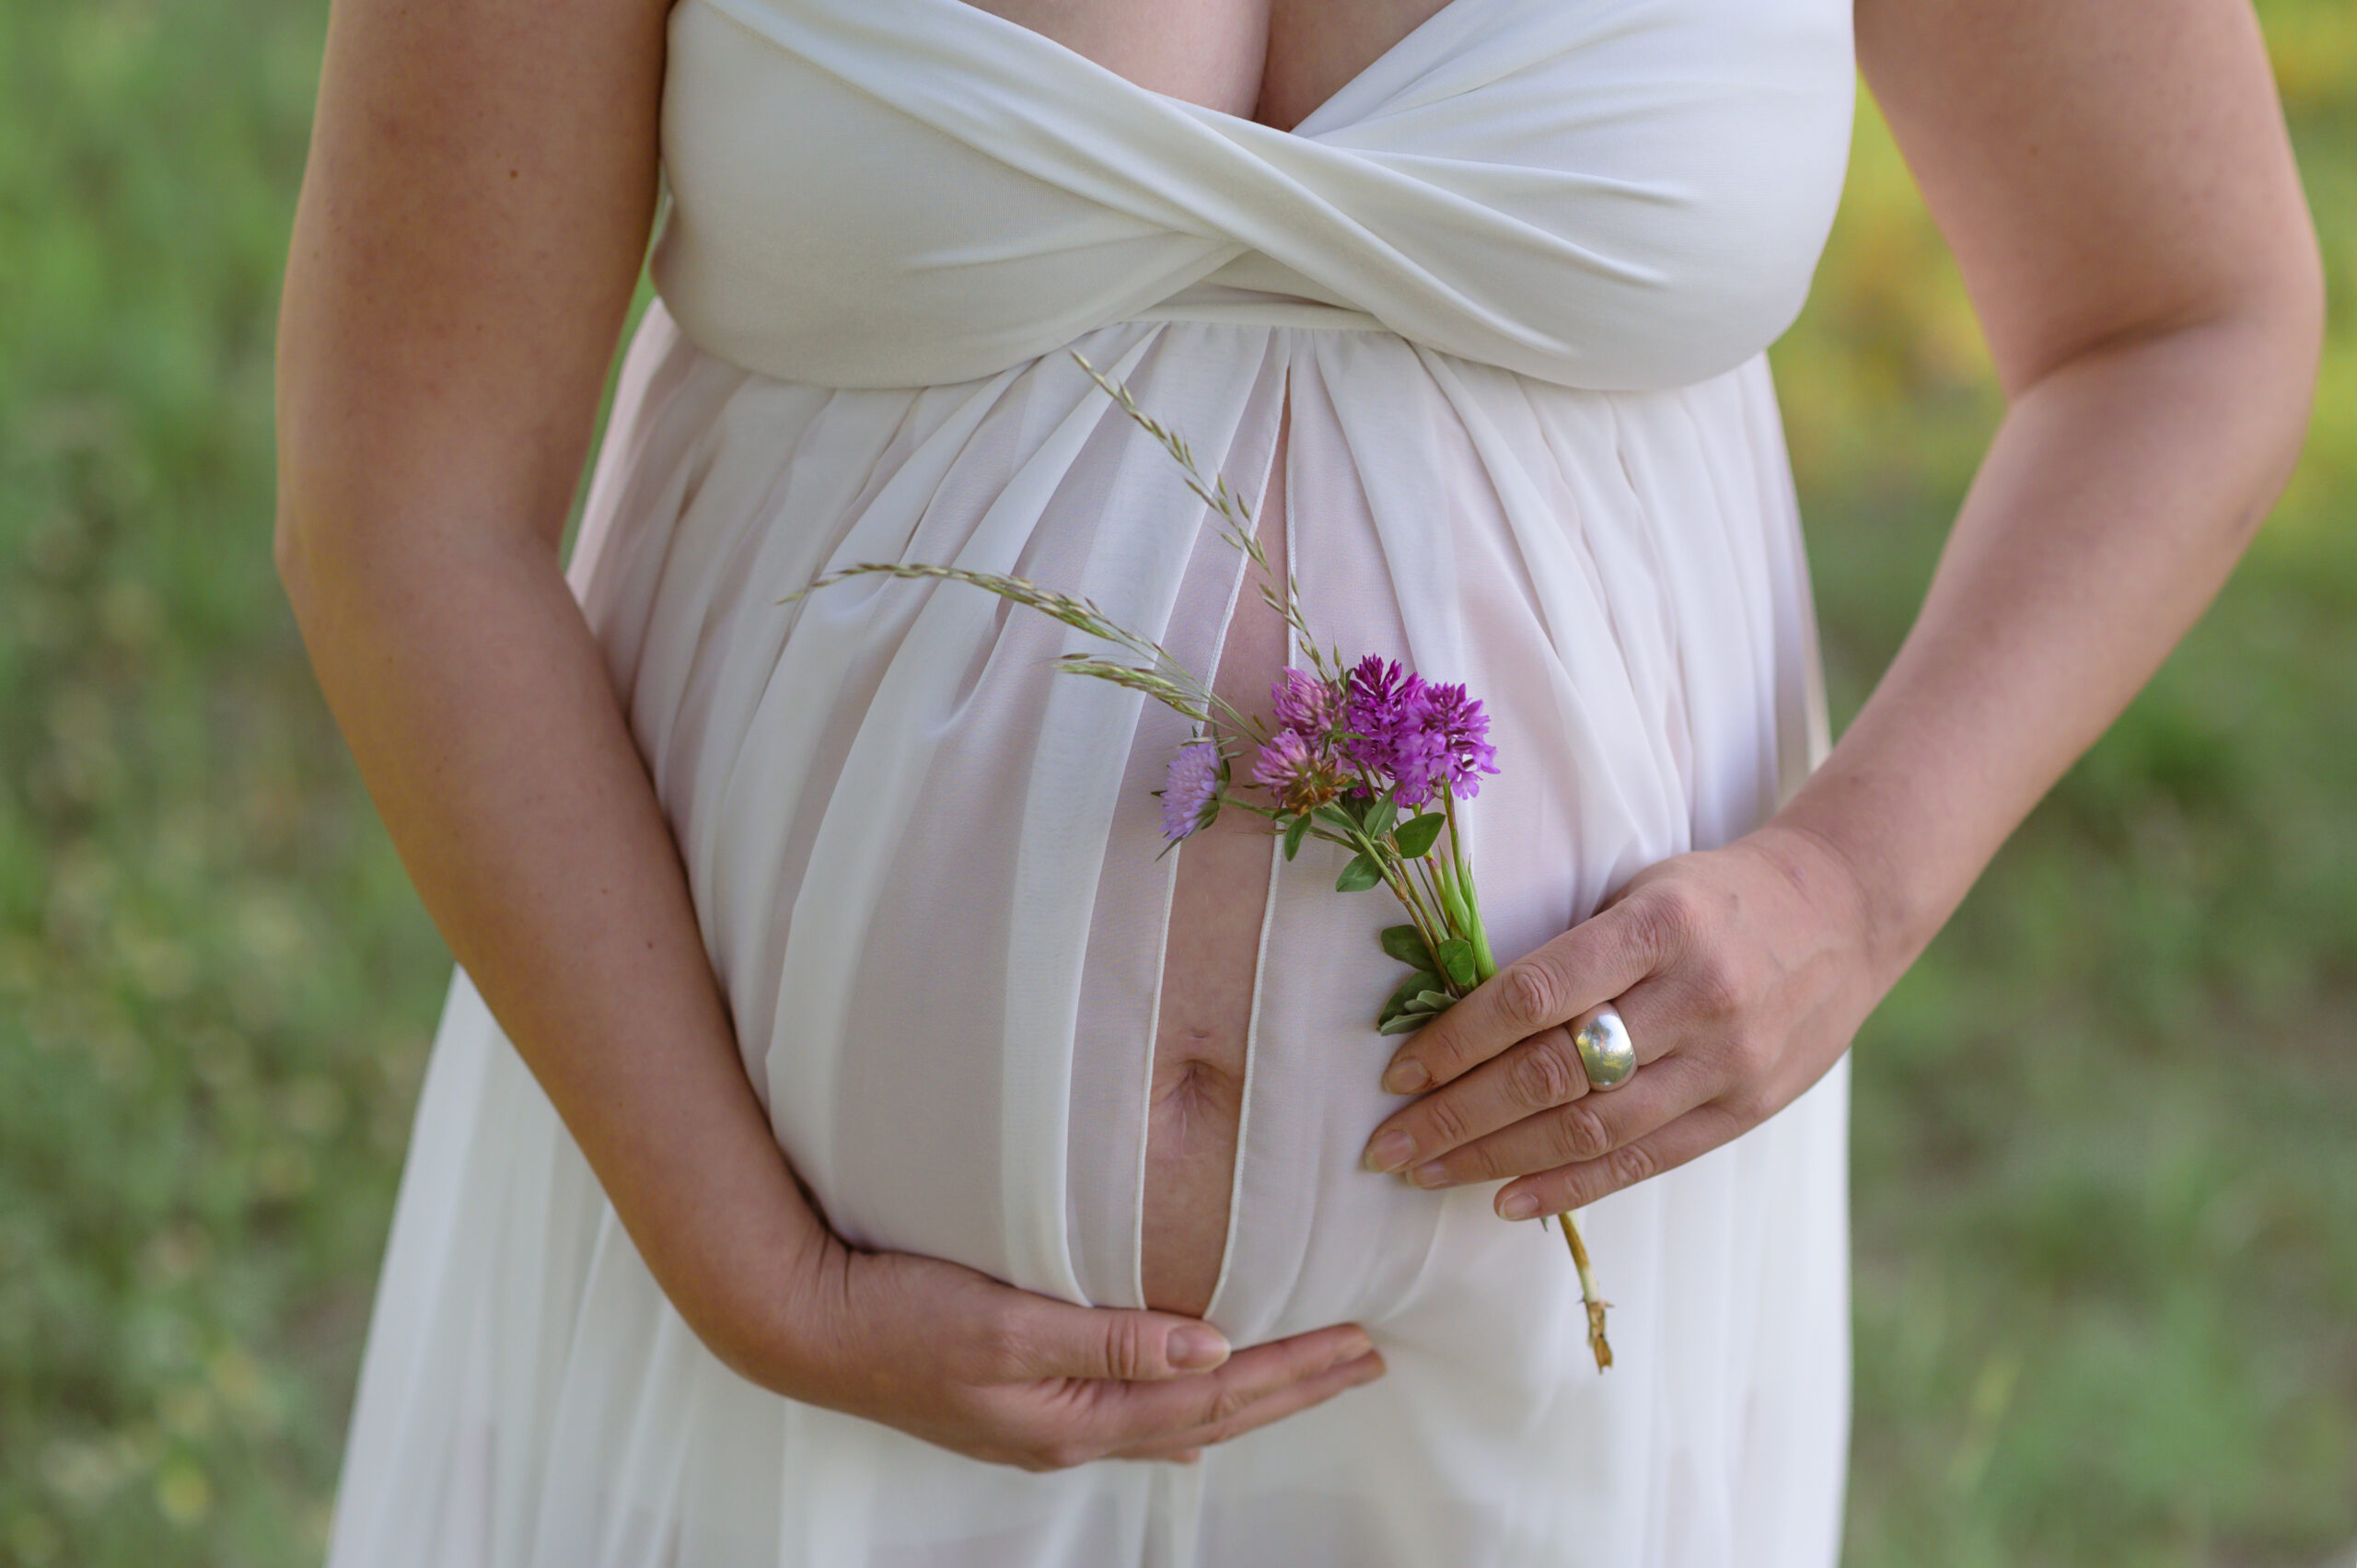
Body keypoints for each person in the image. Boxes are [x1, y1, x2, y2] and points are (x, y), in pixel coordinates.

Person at [271, 0, 2321, 1557]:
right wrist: (750, 1267)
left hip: (1555, 1287)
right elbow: (410, 498)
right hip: (754, 1277)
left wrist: (1853, 887)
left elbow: (2184, 314)